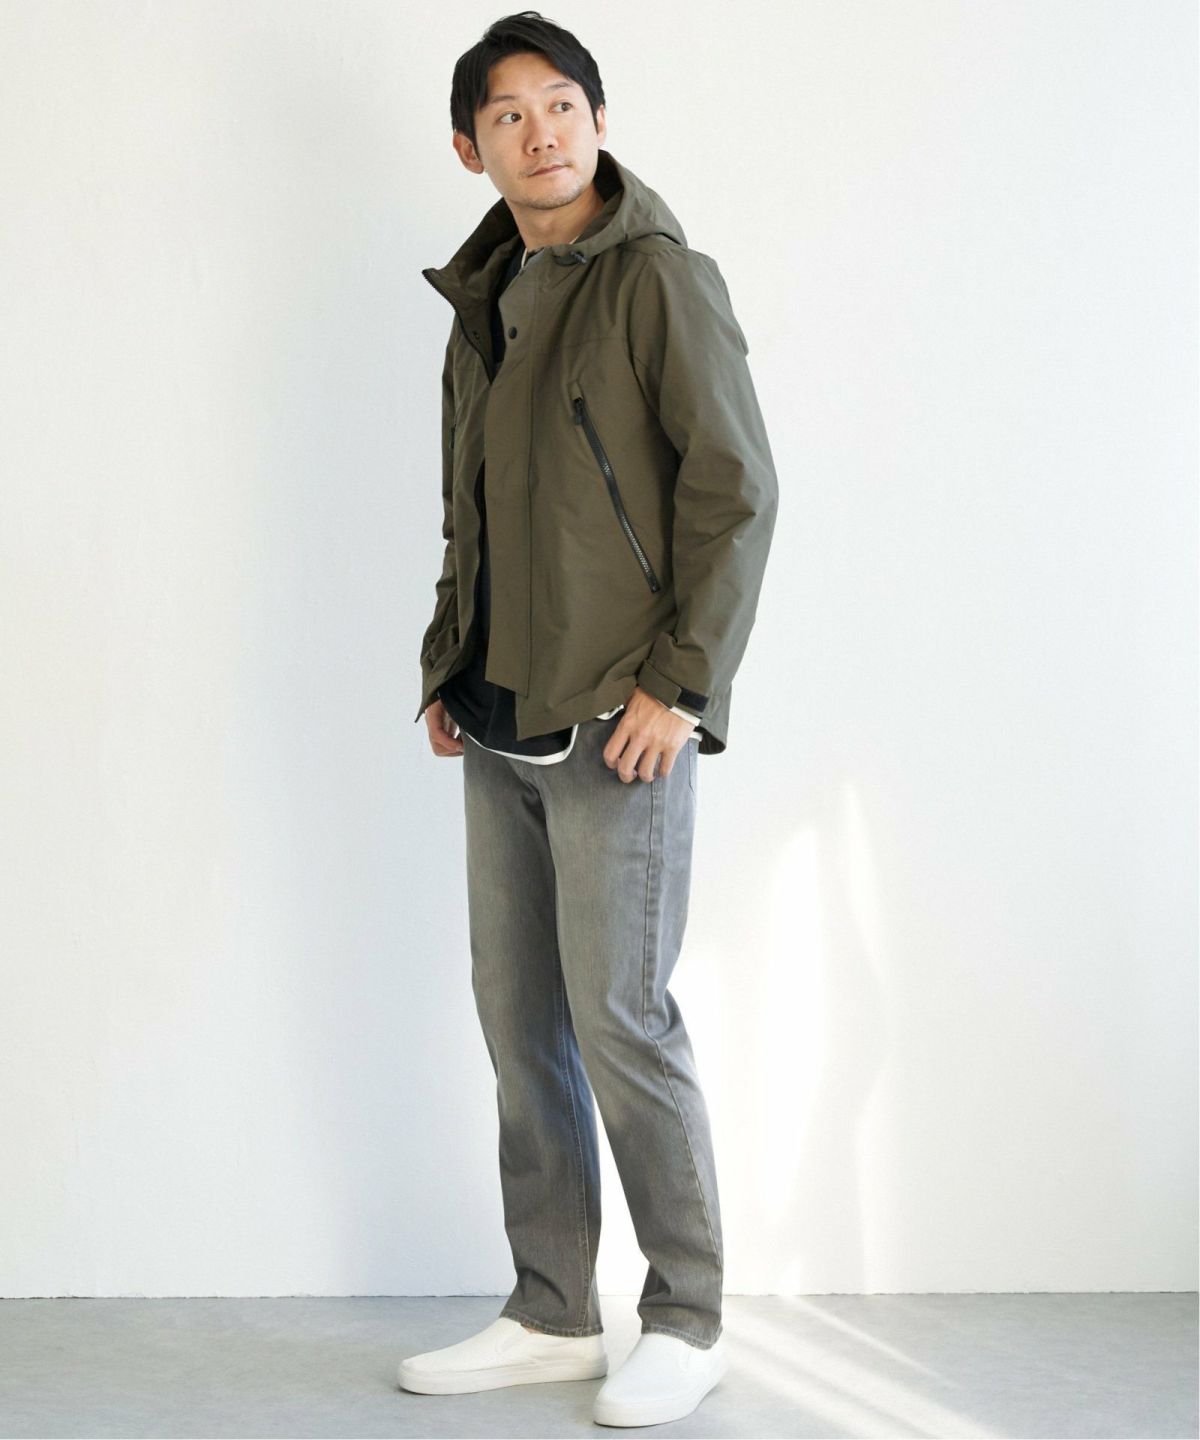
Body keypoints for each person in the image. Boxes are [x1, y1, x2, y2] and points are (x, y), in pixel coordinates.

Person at [399, 11, 779, 1428]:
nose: (540, 131)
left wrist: (681, 685)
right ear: (471, 147)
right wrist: (447, 659)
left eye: (562, 104)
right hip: (497, 713)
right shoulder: (487, 293)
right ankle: (552, 1308)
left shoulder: (659, 279)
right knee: (519, 1021)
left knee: (622, 1019)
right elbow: (471, 505)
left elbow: (735, 492)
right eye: (508, 114)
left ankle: (686, 1316)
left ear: (599, 122)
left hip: (620, 717)